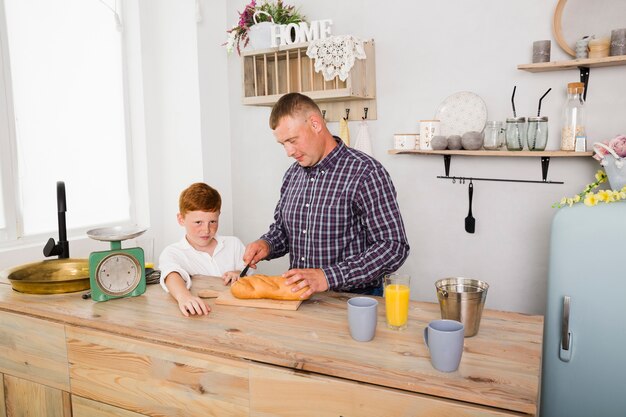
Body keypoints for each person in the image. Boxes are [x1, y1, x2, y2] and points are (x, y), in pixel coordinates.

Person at [243, 92, 409, 299]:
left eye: (292, 140)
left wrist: (328, 277)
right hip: (301, 299)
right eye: (283, 144)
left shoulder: (366, 173)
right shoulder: (292, 175)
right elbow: (284, 231)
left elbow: (393, 247)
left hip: (353, 301)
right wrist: (267, 244)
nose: (288, 151)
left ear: (315, 124)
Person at [159, 182, 247, 317]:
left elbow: (251, 277)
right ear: (181, 219)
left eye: (212, 222)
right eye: (198, 222)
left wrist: (239, 274)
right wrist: (184, 297)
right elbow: (171, 275)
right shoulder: (173, 252)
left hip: (237, 316)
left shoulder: (234, 244)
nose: (206, 230)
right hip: (201, 318)